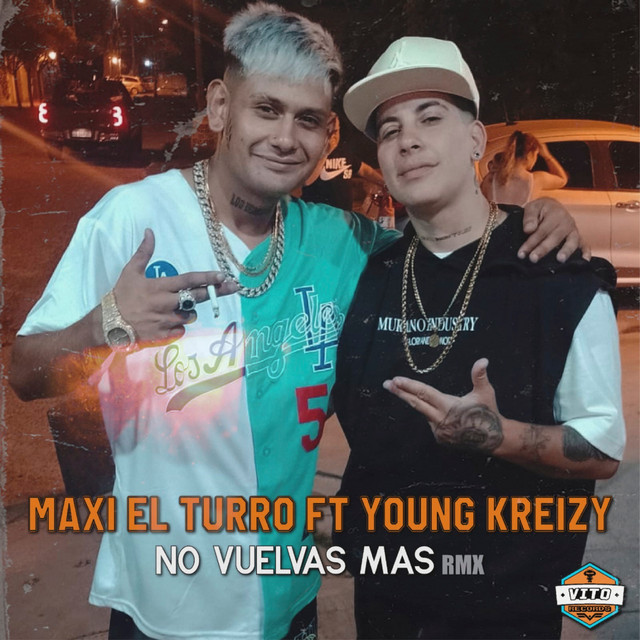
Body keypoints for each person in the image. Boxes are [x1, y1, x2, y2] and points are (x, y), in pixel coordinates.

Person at [10, 4, 585, 638]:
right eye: (267, 109)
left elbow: (451, 238)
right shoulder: (132, 220)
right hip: (166, 607)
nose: (286, 138)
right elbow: (25, 374)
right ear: (221, 106)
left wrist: (533, 218)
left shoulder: (344, 240)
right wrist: (106, 325)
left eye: (307, 119)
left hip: (289, 598)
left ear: (329, 135)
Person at [333, 36, 624, 639]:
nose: (407, 140)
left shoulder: (556, 276)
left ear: (474, 140)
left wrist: (499, 435)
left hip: (508, 604)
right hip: (386, 598)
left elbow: (603, 448)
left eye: (429, 118)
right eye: (389, 130)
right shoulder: (368, 274)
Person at [301, 112, 384, 211]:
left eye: (337, 131)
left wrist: (384, 184)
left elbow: (365, 170)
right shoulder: (310, 153)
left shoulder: (344, 151)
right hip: (319, 215)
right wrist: (326, 153)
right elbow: (306, 181)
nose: (334, 136)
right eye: (330, 131)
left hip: (343, 215)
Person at [481, 130, 568, 205]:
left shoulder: (490, 179)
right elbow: (562, 180)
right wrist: (547, 156)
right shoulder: (536, 180)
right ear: (529, 155)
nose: (536, 160)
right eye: (536, 155)